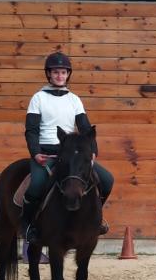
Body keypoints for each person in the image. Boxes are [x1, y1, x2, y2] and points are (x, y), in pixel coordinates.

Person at [21, 51, 114, 241]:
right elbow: (31, 130)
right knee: (36, 186)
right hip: (46, 153)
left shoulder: (74, 99)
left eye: (63, 72)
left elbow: (86, 128)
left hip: (72, 153)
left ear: (68, 74)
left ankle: (95, 218)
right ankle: (30, 226)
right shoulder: (38, 98)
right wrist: (36, 153)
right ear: (49, 74)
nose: (59, 76)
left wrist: (93, 151)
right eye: (55, 72)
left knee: (107, 180)